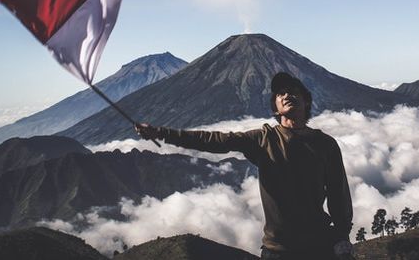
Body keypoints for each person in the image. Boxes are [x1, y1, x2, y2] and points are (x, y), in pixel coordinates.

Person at [135, 72, 354, 260]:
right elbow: (216, 140)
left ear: (307, 102)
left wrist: (342, 236)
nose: (287, 95)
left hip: (319, 246)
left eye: (293, 90)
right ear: (276, 109)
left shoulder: (326, 145)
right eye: (280, 93)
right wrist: (162, 133)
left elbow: (338, 193)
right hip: (278, 250)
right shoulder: (264, 139)